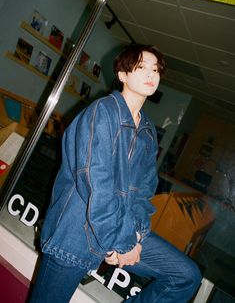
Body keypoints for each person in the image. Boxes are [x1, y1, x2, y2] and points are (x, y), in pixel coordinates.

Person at [29, 45, 201, 302]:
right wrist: (120, 243)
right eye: (141, 67)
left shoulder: (148, 131)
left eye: (155, 70)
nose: (151, 74)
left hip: (121, 231)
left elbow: (144, 191)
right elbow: (95, 183)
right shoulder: (102, 112)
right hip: (77, 232)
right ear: (122, 74)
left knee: (186, 275)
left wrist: (137, 235)